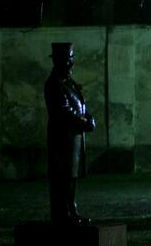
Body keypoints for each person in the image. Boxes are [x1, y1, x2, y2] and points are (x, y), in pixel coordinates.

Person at [44, 42, 96, 226]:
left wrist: (88, 117)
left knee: (71, 176)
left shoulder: (69, 82)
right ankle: (62, 213)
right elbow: (63, 111)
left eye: (72, 59)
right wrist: (84, 122)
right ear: (57, 61)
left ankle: (70, 209)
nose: (71, 63)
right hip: (62, 140)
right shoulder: (54, 84)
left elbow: (80, 105)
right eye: (67, 60)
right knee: (62, 178)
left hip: (73, 139)